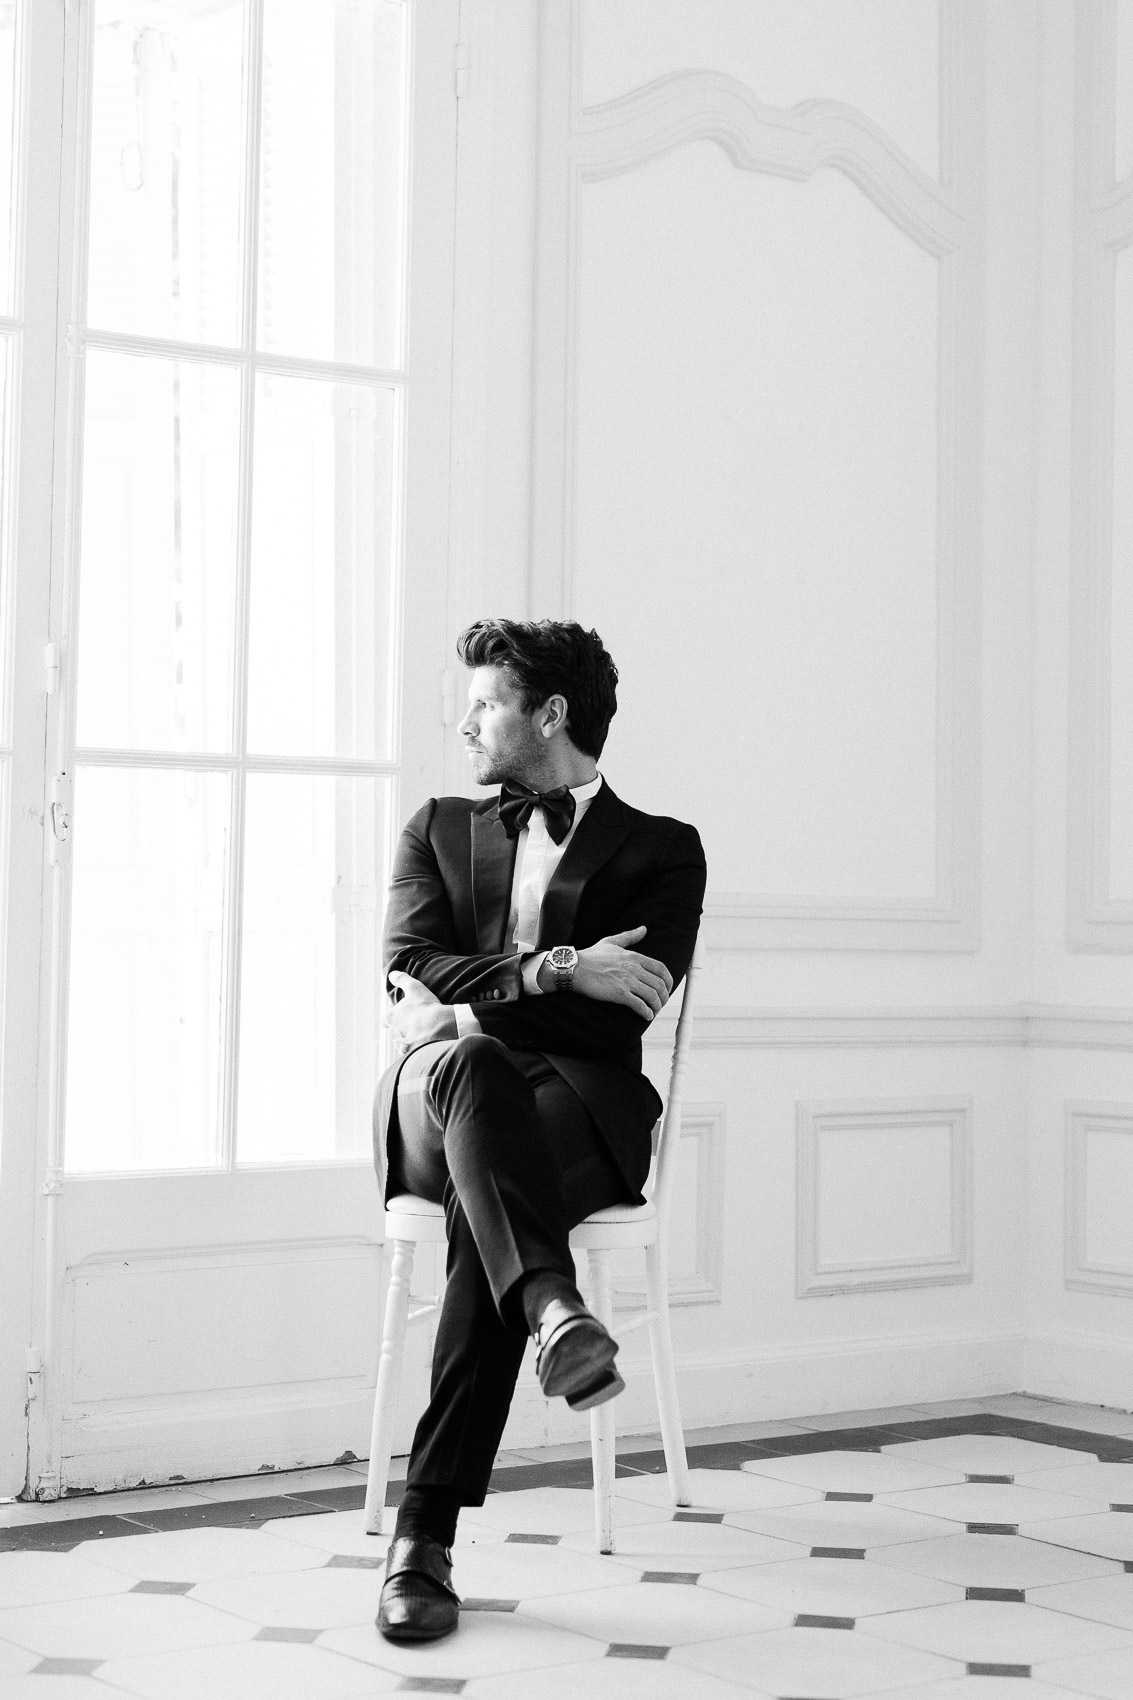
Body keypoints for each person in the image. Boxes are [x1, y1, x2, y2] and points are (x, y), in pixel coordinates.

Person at [373, 618, 706, 1642]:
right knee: (473, 1073)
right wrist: (561, 968)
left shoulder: (662, 849)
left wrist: (470, 1006)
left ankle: (421, 1540)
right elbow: (408, 966)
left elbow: (619, 1017)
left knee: (493, 1194)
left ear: (549, 713)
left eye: (483, 704)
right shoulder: (436, 827)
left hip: (579, 1106)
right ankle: (554, 1306)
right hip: (436, 1097)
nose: (464, 722)